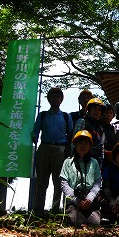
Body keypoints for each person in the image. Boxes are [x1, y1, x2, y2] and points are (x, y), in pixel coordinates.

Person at [32, 87, 73, 216]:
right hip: (44, 148)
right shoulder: (43, 115)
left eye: (58, 96)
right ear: (49, 99)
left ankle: (55, 211)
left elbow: (71, 135)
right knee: (41, 182)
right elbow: (35, 131)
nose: (55, 98)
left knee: (58, 182)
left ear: (61, 100)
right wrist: (34, 138)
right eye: (53, 96)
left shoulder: (66, 117)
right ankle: (38, 211)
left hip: (60, 150)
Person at [60, 130, 101, 226]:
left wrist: (90, 198)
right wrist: (76, 200)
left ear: (90, 146)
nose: (83, 146)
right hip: (74, 202)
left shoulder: (94, 162)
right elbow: (64, 183)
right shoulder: (68, 162)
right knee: (75, 221)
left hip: (90, 202)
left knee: (95, 223)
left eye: (86, 144)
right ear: (75, 145)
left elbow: (98, 182)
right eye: (80, 143)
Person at [73, 98, 107, 167]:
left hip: (94, 162)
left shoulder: (100, 128)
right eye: (94, 108)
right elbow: (73, 142)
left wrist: (100, 165)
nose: (96, 111)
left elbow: (101, 147)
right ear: (89, 110)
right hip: (80, 160)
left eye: (99, 109)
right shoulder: (82, 122)